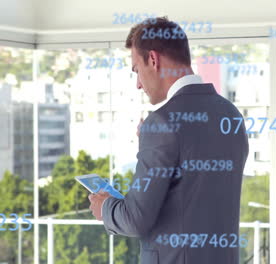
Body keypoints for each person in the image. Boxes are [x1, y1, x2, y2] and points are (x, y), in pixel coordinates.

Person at [88, 17, 249, 264]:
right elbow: (194, 188)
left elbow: (135, 219)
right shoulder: (230, 114)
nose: (138, 84)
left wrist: (105, 208)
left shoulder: (161, 124)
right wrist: (152, 143)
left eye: (136, 70)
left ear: (153, 59)